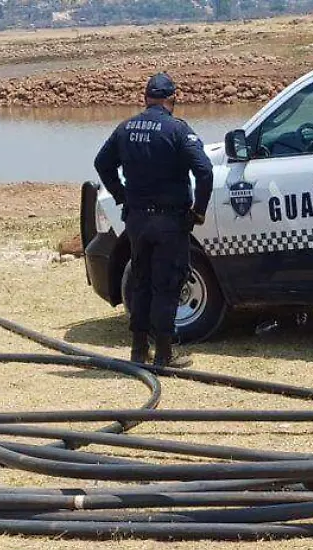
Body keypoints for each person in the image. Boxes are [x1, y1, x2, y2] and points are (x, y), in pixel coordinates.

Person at [93, 72, 214, 369]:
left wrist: (121, 195)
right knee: (168, 284)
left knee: (141, 283)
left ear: (145, 98)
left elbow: (101, 163)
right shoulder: (176, 130)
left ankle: (138, 350)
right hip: (169, 222)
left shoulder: (125, 128)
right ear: (172, 98)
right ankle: (163, 353)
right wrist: (198, 211)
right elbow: (205, 171)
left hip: (136, 222)